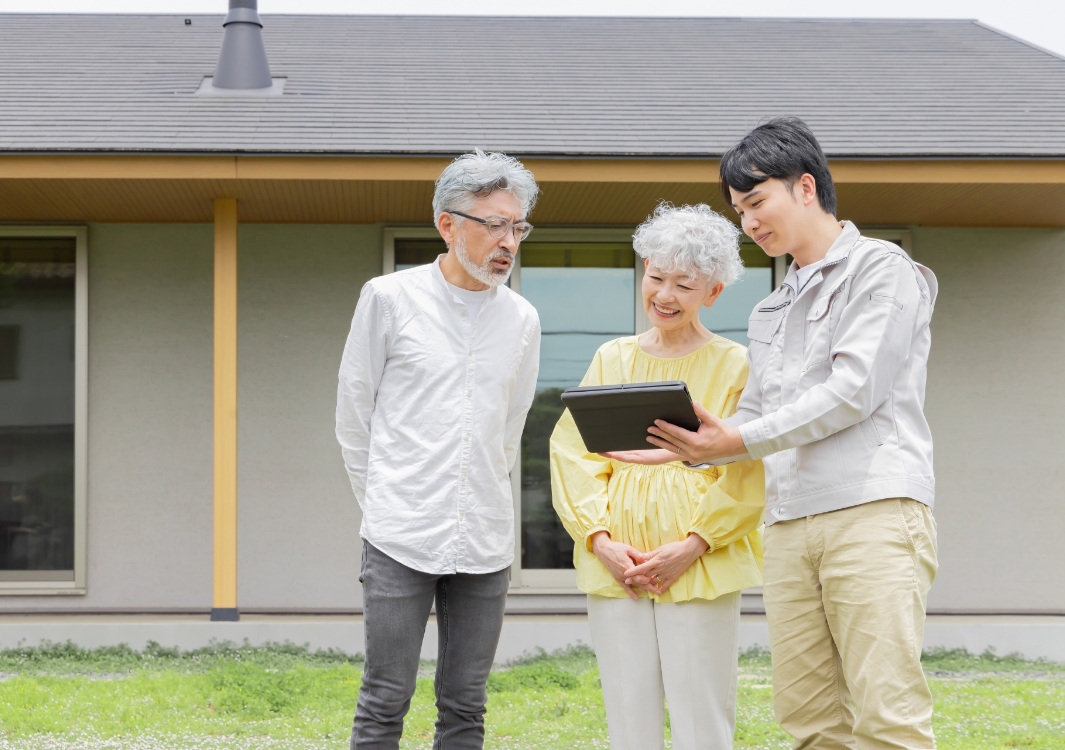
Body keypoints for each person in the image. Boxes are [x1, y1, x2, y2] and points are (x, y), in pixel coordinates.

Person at [618, 119, 940, 749]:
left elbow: (854, 391)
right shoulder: (769, 308)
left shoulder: (881, 269)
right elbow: (756, 412)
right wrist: (680, 446)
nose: (749, 223)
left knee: (887, 716)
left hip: (870, 510)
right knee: (809, 720)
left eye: (757, 202)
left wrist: (731, 442)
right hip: (788, 523)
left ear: (807, 188)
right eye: (739, 210)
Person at [335, 149, 542, 750]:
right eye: (494, 225)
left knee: (465, 706)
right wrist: (382, 505)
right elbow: (355, 416)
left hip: (484, 537)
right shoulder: (388, 298)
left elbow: (511, 426)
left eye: (518, 226)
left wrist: (485, 495)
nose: (508, 241)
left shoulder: (523, 319)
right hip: (400, 532)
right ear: (448, 225)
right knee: (384, 699)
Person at [549, 203, 766, 750]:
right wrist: (601, 542)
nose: (665, 295)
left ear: (712, 293)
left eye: (684, 285)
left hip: (699, 562)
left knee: (702, 717)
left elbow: (750, 467)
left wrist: (693, 545)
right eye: (656, 277)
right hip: (617, 563)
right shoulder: (611, 357)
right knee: (628, 716)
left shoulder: (736, 365)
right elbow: (573, 453)